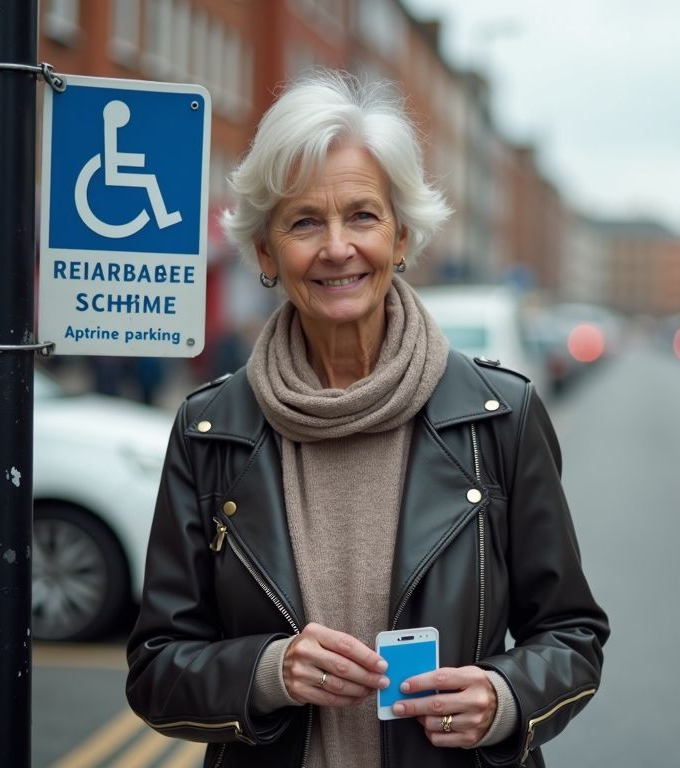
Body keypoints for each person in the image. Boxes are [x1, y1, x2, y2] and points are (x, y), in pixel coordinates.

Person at [125, 70, 609, 768]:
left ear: (403, 236)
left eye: (361, 214)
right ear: (265, 251)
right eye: (303, 222)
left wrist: (505, 697)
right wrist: (268, 671)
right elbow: (157, 670)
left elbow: (571, 634)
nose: (335, 247)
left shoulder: (500, 416)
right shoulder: (211, 430)